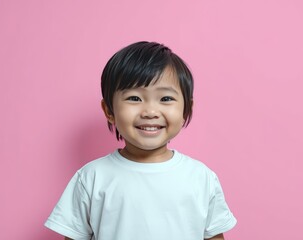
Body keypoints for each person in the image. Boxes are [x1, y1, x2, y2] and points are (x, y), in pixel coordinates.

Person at [44, 41, 237, 240]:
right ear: (109, 110)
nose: (150, 112)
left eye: (165, 99)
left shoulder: (201, 178)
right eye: (135, 98)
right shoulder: (91, 178)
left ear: (186, 109)